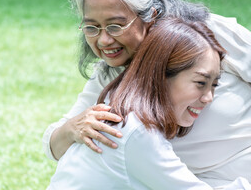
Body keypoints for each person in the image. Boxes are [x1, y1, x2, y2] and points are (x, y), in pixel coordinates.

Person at [43, 0, 251, 188]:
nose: (103, 40)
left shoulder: (209, 36)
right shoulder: (110, 77)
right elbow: (54, 146)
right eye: (92, 27)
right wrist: (73, 128)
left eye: (115, 25)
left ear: (150, 16)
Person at [48, 18, 238, 189]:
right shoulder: (134, 132)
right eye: (200, 83)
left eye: (214, 85)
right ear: (161, 76)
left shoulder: (126, 110)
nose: (208, 97)